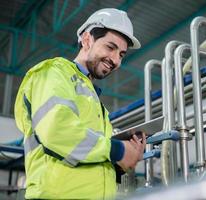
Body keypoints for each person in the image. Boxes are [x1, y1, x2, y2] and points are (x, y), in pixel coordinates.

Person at [14, 8, 146, 199]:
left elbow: (89, 154)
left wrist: (122, 161)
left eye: (122, 54)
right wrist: (116, 150)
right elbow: (56, 130)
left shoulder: (96, 104)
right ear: (86, 40)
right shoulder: (54, 72)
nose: (116, 60)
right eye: (110, 47)